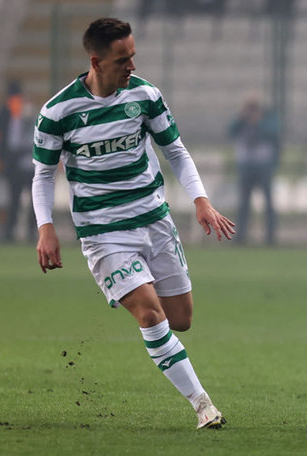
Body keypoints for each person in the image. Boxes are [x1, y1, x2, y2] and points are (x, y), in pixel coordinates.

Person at [32, 18, 235, 430]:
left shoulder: (144, 95)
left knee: (180, 319)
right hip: (103, 233)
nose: (132, 66)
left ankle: (150, 318)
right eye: (123, 60)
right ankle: (203, 406)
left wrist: (200, 200)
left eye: (133, 56)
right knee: (150, 315)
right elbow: (42, 175)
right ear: (96, 61)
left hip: (154, 220)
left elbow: (175, 150)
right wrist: (45, 226)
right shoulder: (58, 112)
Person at [228, 95, 280, 245]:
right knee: (243, 202)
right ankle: (241, 235)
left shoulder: (268, 121)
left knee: (268, 202)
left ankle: (270, 236)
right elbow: (230, 132)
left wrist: (259, 123)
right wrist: (241, 119)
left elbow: (274, 133)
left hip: (263, 164)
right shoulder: (240, 122)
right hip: (245, 164)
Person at [0, 81, 36, 242]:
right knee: (14, 199)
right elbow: (4, 141)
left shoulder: (28, 114)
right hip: (14, 165)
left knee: (33, 200)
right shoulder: (4, 116)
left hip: (29, 164)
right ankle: (10, 230)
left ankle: (31, 230)